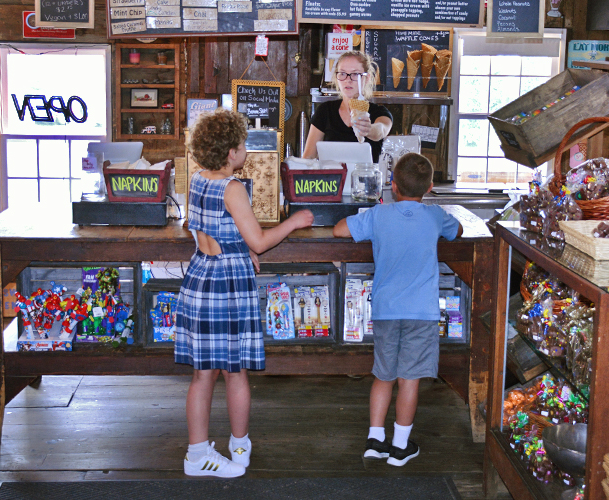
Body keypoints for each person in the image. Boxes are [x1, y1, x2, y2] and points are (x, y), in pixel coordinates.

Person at [176, 108, 314, 477]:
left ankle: (197, 452)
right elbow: (261, 240)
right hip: (228, 287)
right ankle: (238, 445)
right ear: (231, 153)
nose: (246, 150)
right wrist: (294, 221)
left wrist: (242, 247)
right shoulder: (233, 188)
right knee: (234, 372)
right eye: (243, 144)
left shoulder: (199, 180)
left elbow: (203, 226)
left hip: (201, 277)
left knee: (202, 374)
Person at [332, 153, 463, 466]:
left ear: (392, 186)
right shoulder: (434, 216)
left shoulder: (379, 215)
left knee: (383, 375)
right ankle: (400, 446)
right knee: (409, 379)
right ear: (430, 187)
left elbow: (339, 230)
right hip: (423, 314)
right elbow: (455, 231)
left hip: (387, 310)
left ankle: (374, 440)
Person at [302, 51, 393, 163]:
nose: (348, 80)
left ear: (367, 78)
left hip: (366, 178)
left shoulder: (379, 112)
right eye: (343, 73)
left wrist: (368, 129)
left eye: (355, 74)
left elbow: (381, 130)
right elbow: (308, 158)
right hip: (331, 179)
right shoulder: (325, 111)